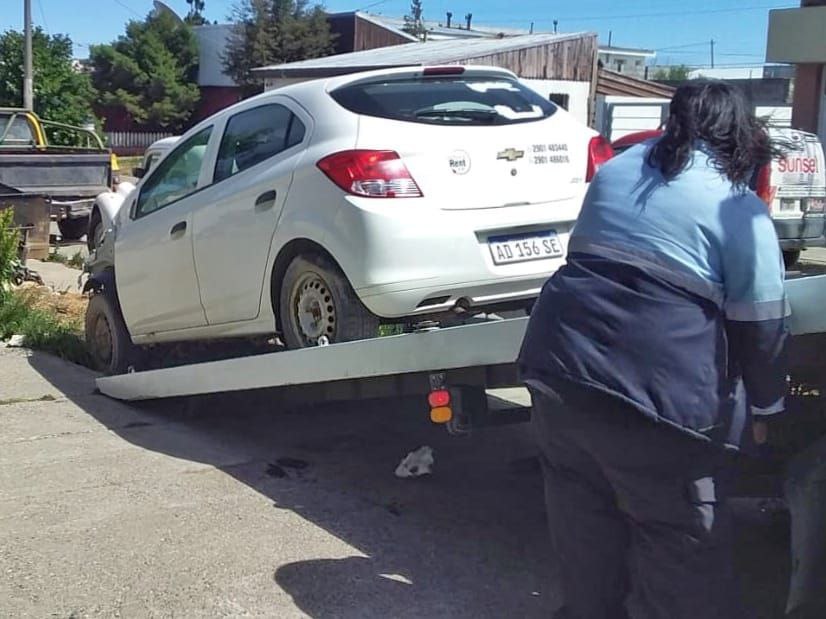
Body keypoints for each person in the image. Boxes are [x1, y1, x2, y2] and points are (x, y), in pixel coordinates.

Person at [518, 80, 788, 619]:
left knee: (584, 529)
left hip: (558, 366)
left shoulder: (617, 168)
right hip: (657, 396)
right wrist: (767, 408)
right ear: (740, 133)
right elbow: (761, 323)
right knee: (679, 543)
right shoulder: (739, 209)